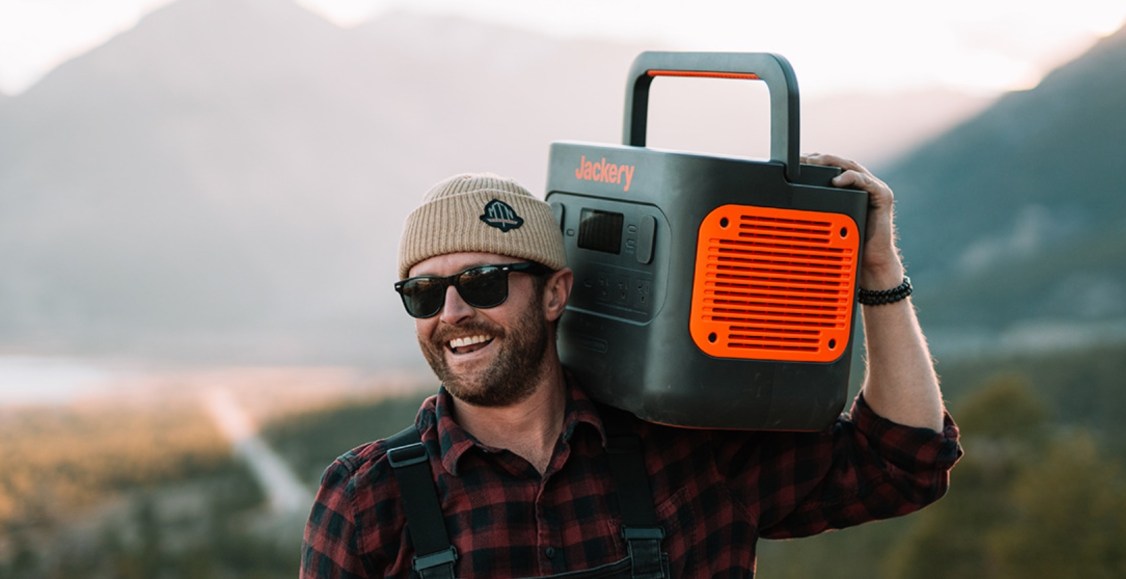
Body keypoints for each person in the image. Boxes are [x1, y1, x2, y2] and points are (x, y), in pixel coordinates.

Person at [300, 154, 961, 578]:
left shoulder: (688, 450)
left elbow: (903, 461)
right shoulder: (368, 501)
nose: (451, 313)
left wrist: (878, 270)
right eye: (421, 292)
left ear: (554, 292)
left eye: (483, 281)